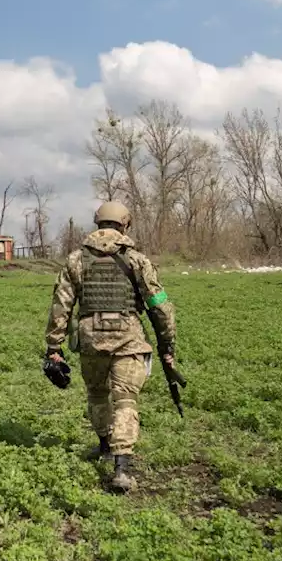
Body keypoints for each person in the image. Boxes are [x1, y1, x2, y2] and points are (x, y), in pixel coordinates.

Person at [44, 201, 177, 492]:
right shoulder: (137, 260)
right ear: (125, 224)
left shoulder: (76, 260)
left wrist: (54, 346)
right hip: (128, 339)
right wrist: (168, 344)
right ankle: (122, 468)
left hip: (90, 339)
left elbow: (61, 305)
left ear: (97, 223)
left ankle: (104, 446)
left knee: (97, 394)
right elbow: (159, 304)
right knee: (125, 399)